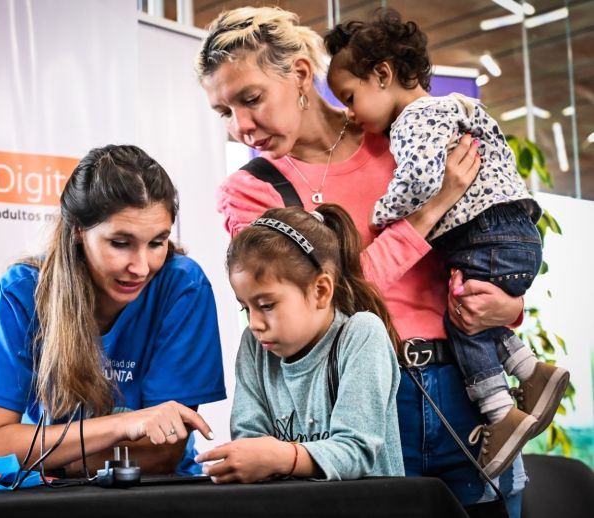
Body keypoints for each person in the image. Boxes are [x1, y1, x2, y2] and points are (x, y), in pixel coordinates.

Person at [196, 6, 526, 515]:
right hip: (360, 403)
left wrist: (507, 307)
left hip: (468, 386)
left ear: (301, 74)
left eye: (251, 98)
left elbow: (485, 242)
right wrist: (430, 210)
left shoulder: (403, 135)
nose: (241, 125)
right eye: (225, 112)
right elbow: (336, 295)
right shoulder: (249, 191)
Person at [325, 7, 569, 479]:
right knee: (477, 318)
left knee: (463, 326)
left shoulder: (415, 119)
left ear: (383, 74)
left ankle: (500, 416)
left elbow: (420, 179)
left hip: (485, 239)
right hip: (512, 234)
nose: (350, 114)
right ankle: (535, 374)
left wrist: (384, 213)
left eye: (350, 98)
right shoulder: (461, 108)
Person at [0, 144, 226, 476]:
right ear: (79, 230)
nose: (141, 267)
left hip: (151, 498)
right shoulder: (22, 290)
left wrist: (29, 457)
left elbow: (160, 456)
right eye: (120, 243)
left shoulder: (183, 286)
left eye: (157, 242)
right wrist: (125, 424)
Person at [195, 204, 404, 483]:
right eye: (246, 308)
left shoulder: (362, 334)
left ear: (321, 290)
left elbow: (357, 450)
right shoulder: (255, 346)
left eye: (266, 305)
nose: (254, 323)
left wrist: (280, 457)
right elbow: (250, 440)